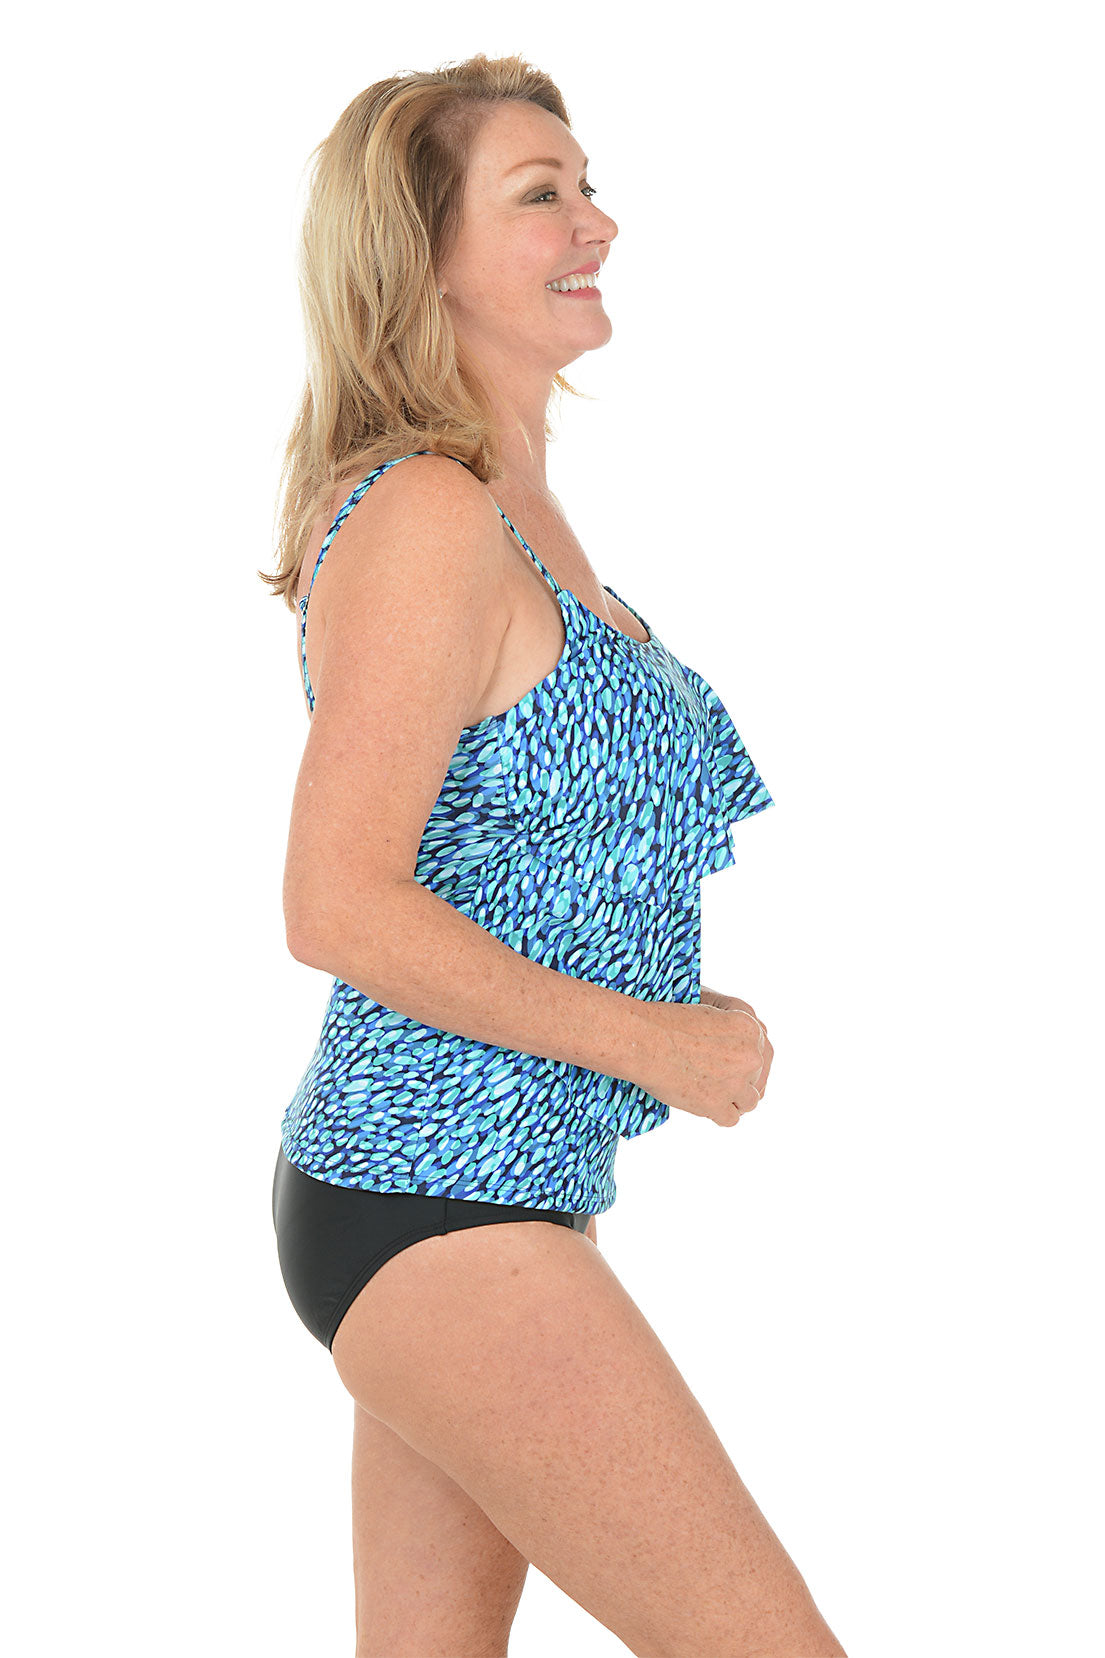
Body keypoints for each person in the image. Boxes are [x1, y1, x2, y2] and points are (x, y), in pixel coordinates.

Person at [263, 51, 847, 1658]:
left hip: (492, 1199)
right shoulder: (426, 516)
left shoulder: (514, 510)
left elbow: (520, 852)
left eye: (585, 186)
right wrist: (657, 1041)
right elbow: (334, 902)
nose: (595, 220)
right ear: (420, 252)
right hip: (429, 1201)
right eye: (542, 195)